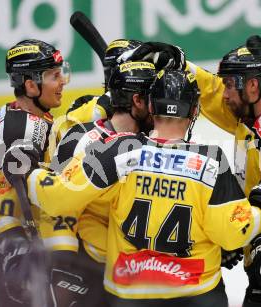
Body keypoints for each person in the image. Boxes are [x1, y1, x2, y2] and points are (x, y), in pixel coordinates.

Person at [3, 69, 261, 306]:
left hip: (130, 295)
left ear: (151, 107)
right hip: (196, 295)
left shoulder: (117, 150)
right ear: (194, 112)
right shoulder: (211, 160)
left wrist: (28, 173)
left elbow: (56, 198)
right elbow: (230, 234)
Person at [125, 38, 261, 306]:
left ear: (253, 85)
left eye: (230, 84)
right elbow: (212, 95)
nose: (225, 93)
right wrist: (184, 67)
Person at [0, 39, 70, 306]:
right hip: (12, 248)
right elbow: (4, 201)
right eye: (54, 76)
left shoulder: (10, 116)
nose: (63, 82)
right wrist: (18, 250)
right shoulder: (22, 132)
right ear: (30, 84)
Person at [47, 60, 156, 306]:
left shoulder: (155, 141)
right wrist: (62, 260)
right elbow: (54, 201)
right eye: (154, 98)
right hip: (92, 267)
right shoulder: (80, 138)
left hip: (142, 270)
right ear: (137, 101)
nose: (160, 106)